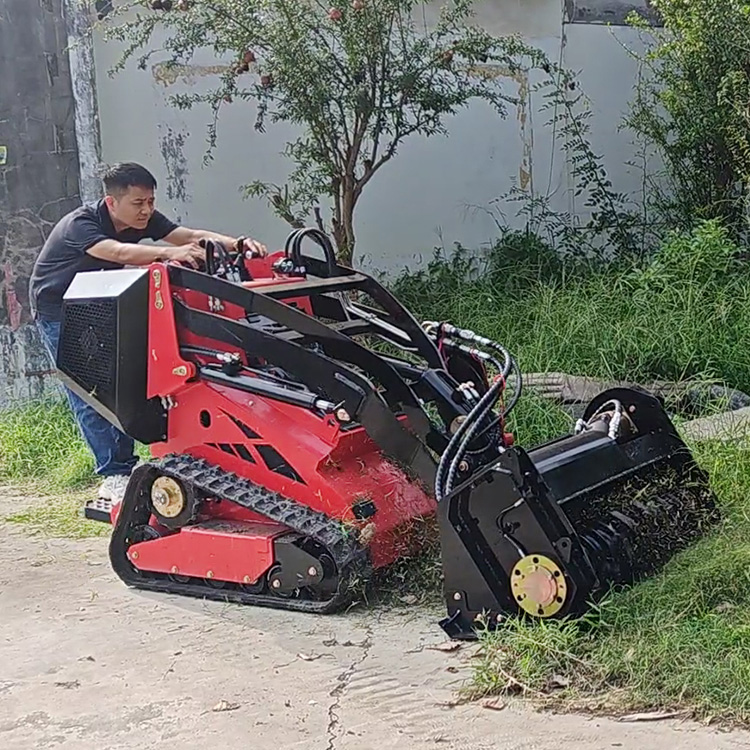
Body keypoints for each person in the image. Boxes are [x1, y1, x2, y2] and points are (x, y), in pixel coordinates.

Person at [29, 162, 268, 503]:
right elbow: (117, 252)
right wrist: (170, 254)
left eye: (151, 201)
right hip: (61, 312)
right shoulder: (80, 224)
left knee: (127, 383)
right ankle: (114, 475)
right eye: (138, 203)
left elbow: (185, 235)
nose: (147, 210)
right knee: (90, 391)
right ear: (112, 202)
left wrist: (237, 243)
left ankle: (139, 460)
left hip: (104, 303)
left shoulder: (143, 217)